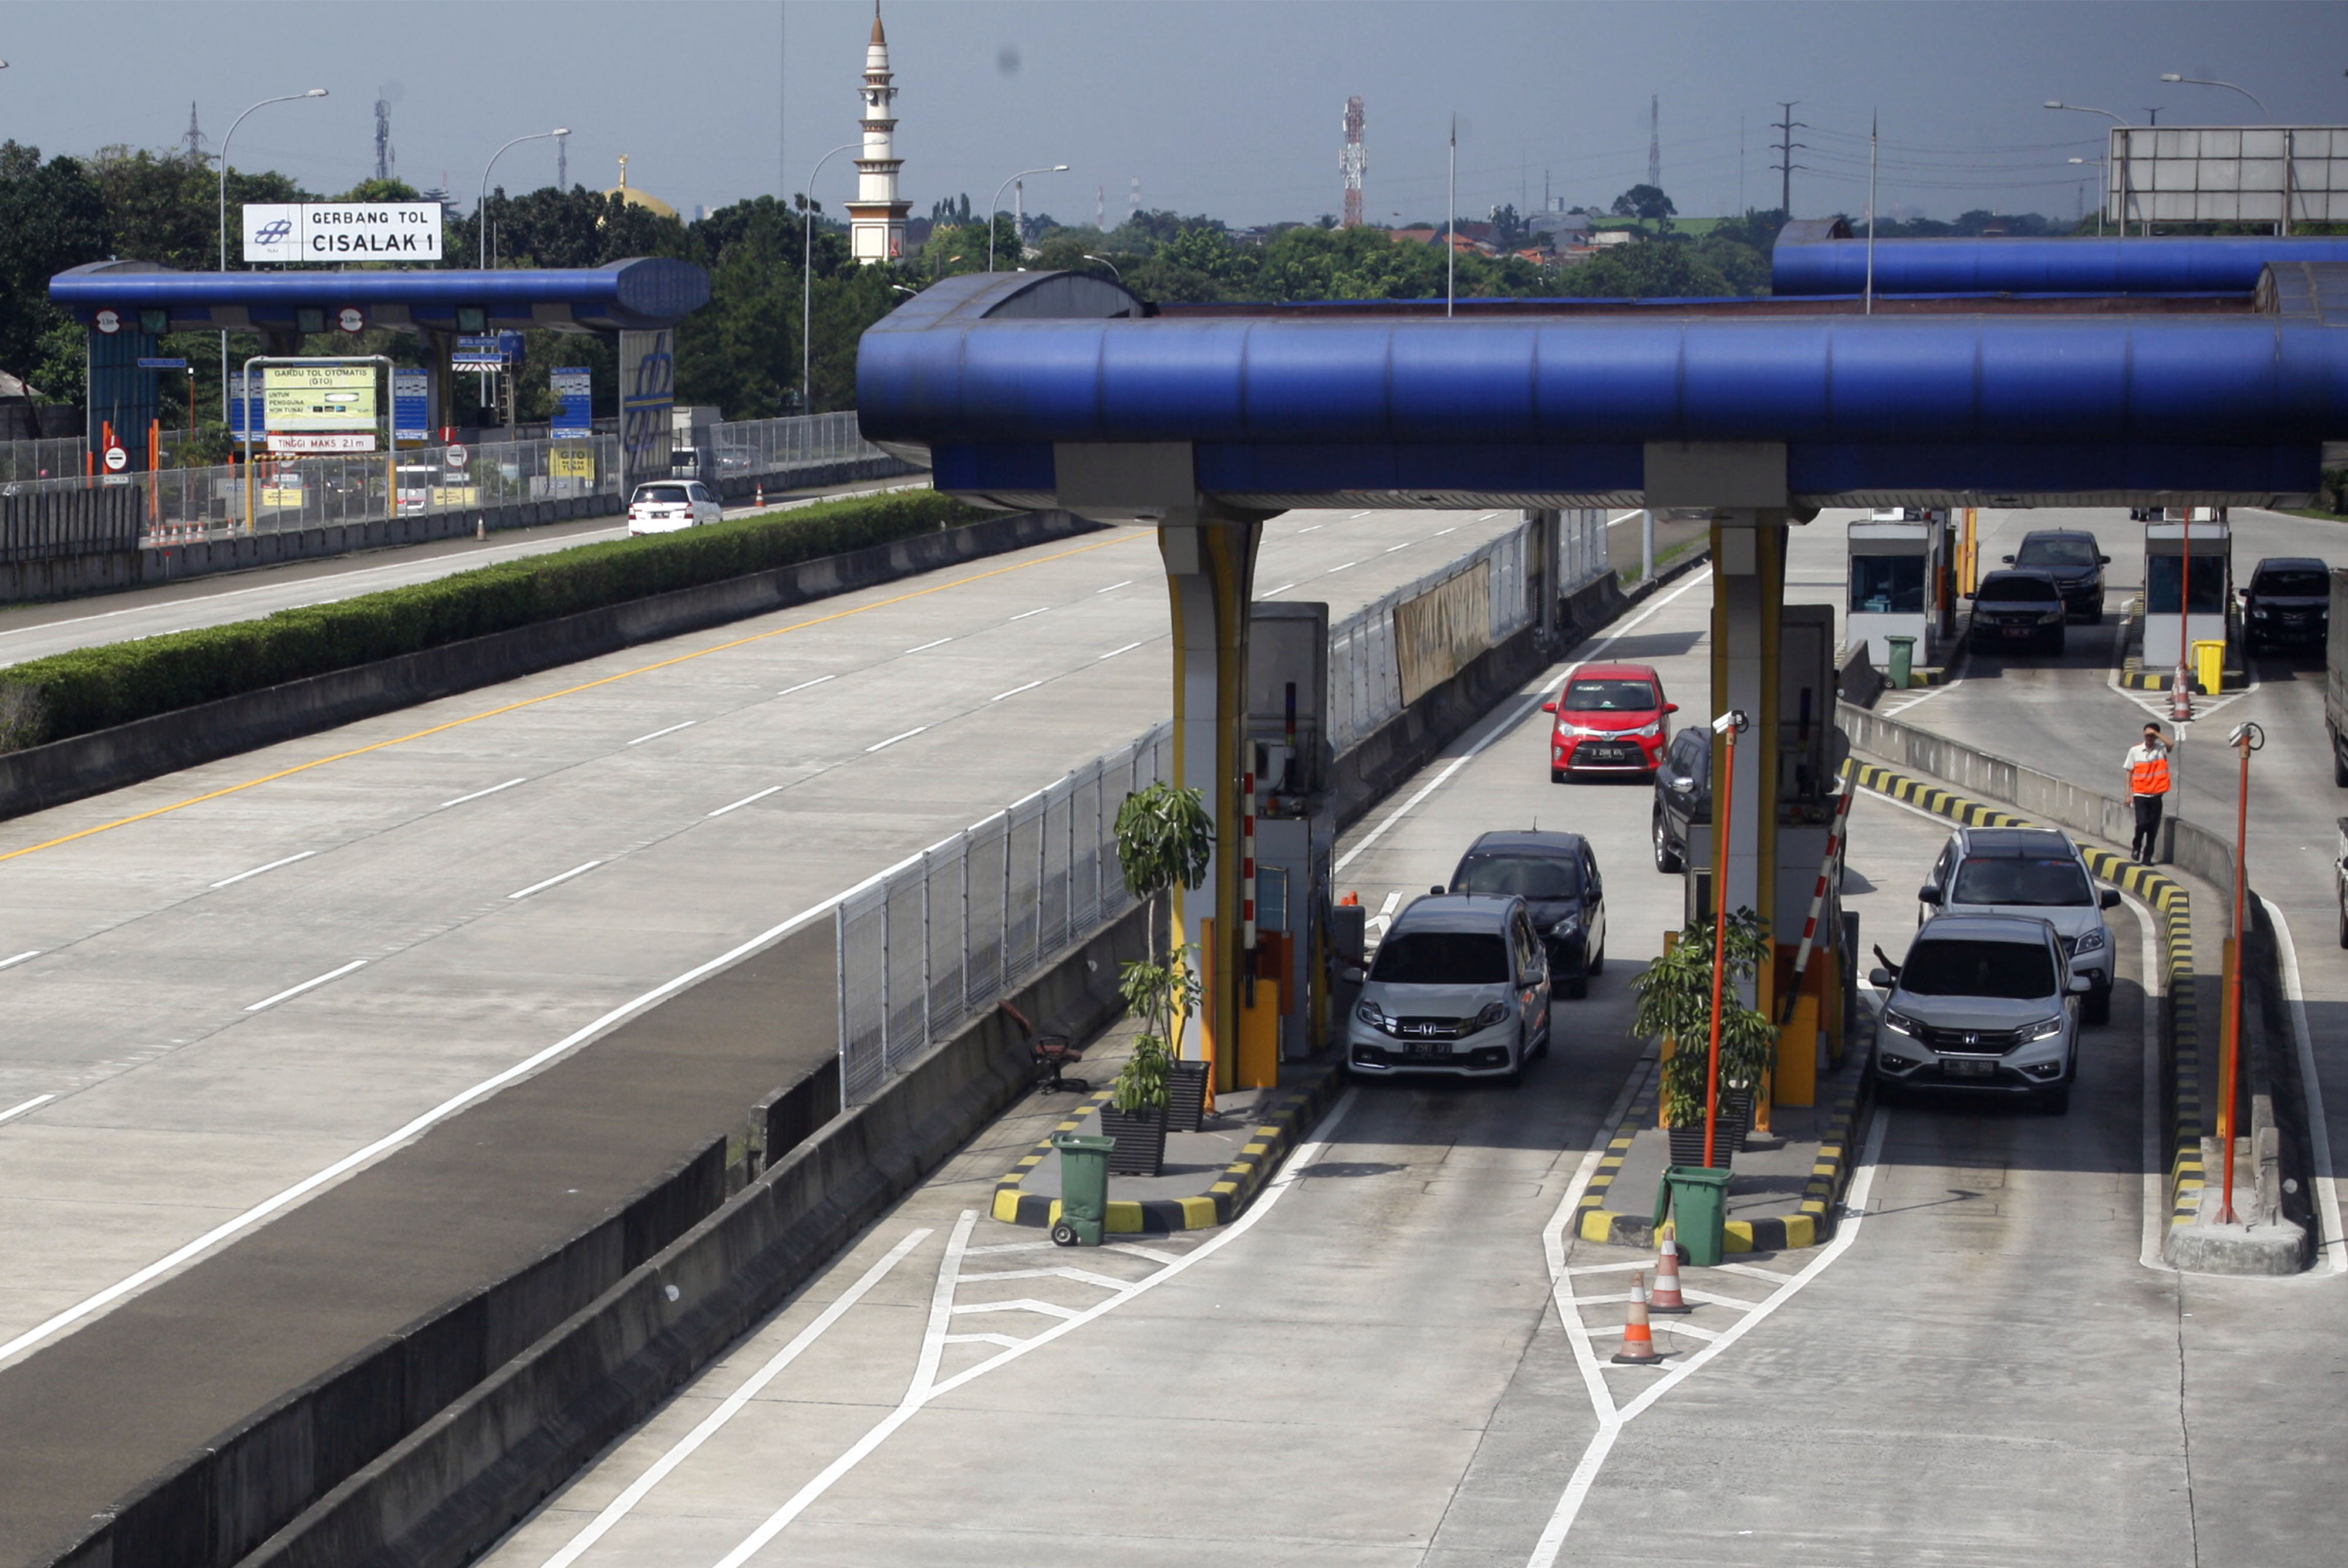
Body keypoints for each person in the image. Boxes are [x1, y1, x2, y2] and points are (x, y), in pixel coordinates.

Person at [2124, 722, 2173, 863]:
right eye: (2147, 735)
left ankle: (2147, 857)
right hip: (2140, 794)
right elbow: (2129, 773)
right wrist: (2128, 794)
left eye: (2152, 736)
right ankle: (2136, 846)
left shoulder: (2161, 749)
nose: (2149, 739)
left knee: (2153, 827)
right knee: (2142, 823)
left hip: (2156, 794)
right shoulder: (2135, 751)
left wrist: (2157, 734)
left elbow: (2171, 745)